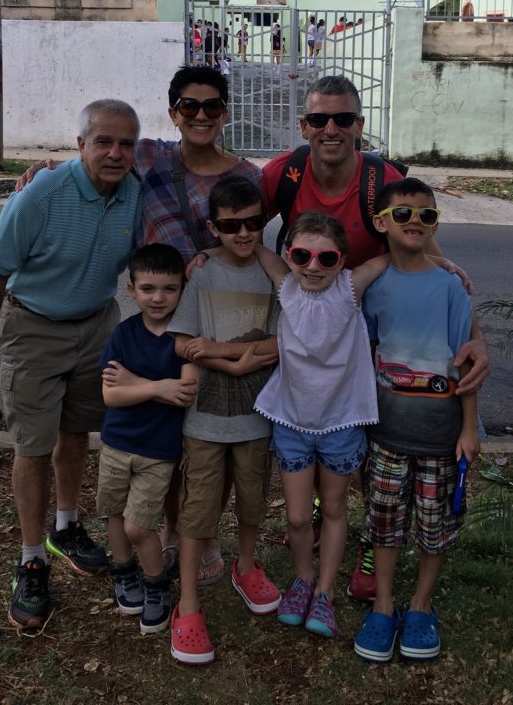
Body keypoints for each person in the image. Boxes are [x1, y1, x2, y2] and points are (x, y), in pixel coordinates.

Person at [16, 65, 261, 586]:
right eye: (189, 106)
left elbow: (260, 235)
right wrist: (46, 171)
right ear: (173, 112)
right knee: (167, 425)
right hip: (162, 314)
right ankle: (170, 532)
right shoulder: (148, 154)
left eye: (212, 106)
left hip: (216, 316)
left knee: (205, 435)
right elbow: (100, 153)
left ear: (225, 113)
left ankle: (202, 534)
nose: (200, 115)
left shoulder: (246, 175)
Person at [260, 75, 489, 599]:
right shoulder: (285, 173)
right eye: (319, 119)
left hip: (378, 326)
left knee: (371, 439)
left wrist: (473, 332)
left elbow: (421, 249)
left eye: (343, 119)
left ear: (360, 126)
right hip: (313, 314)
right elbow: (239, 222)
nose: (331, 129)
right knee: (327, 429)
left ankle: (368, 538)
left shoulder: (380, 178)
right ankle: (319, 519)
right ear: (304, 126)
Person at [0, 100, 142, 631]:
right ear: (80, 145)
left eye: (126, 143)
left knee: (77, 428)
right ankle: (32, 557)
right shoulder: (43, 191)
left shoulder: (136, 190)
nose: (115, 153)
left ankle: (67, 525)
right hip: (34, 326)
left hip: (97, 324)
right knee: (33, 446)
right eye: (103, 142)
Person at [353, 177, 478, 664]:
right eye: (403, 215)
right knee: (383, 524)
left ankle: (421, 605)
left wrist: (469, 429)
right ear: (382, 223)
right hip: (385, 436)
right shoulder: (375, 286)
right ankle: (383, 605)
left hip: (441, 438)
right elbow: (363, 353)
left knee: (436, 526)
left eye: (427, 215)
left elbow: (466, 363)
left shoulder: (451, 286)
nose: (416, 223)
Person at [253, 213, 387, 639]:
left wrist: (445, 264)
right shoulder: (286, 285)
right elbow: (250, 247)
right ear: (288, 256)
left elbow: (396, 252)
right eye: (301, 255)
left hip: (341, 422)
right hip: (291, 420)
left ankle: (324, 592)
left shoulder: (349, 288)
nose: (312, 266)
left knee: (332, 509)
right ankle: (302, 580)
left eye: (326, 257)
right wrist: (204, 255)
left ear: (342, 261)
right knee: (296, 517)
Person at [168, 176, 281, 665]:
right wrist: (230, 362)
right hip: (206, 420)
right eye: (231, 225)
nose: (243, 234)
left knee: (253, 499)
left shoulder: (274, 276)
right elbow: (181, 341)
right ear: (213, 227)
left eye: (252, 223)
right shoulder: (202, 274)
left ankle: (247, 566)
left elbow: (282, 343)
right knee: (198, 510)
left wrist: (222, 349)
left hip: (258, 414)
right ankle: (188, 603)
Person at [97, 244, 196, 633]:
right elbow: (110, 395)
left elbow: (185, 392)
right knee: (115, 514)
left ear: (182, 288)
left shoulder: (183, 339)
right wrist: (158, 388)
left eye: (169, 289)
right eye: (149, 288)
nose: (158, 298)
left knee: (140, 527)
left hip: (158, 451)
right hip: (117, 442)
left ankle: (156, 583)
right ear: (131, 289)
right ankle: (124, 573)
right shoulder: (123, 334)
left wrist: (137, 384)